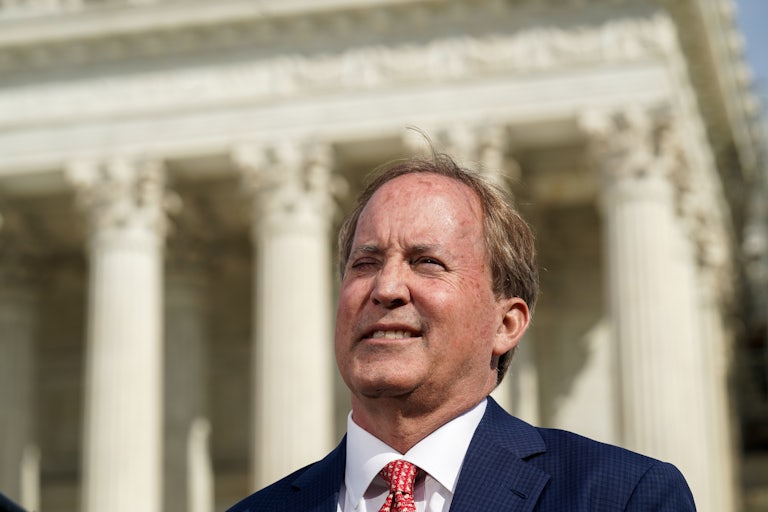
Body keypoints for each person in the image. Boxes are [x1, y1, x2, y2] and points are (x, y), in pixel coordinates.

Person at [227, 151, 696, 511]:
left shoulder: (619, 498)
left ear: (506, 324)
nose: (386, 288)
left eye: (426, 263)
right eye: (364, 263)